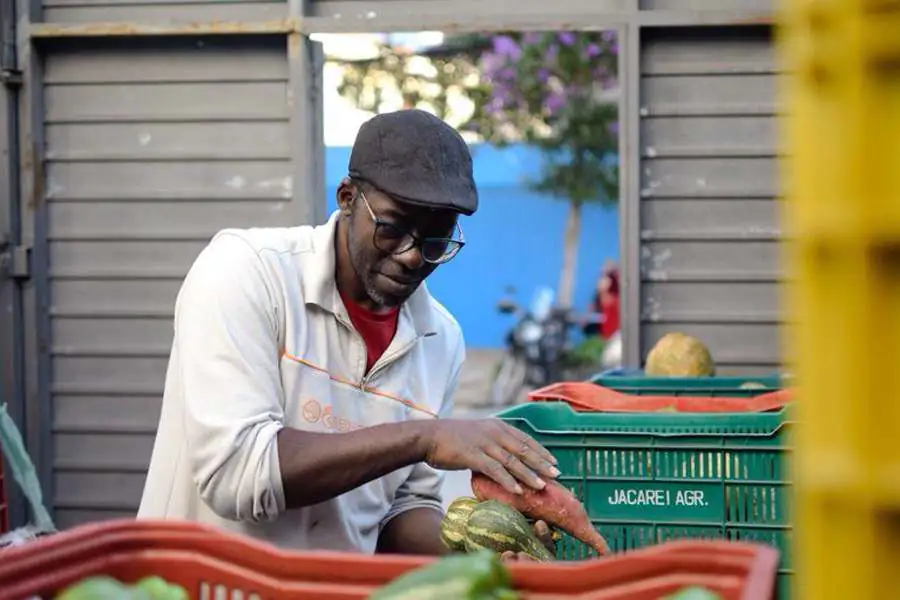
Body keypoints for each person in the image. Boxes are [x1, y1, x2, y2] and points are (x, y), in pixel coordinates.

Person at [137, 109, 559, 560]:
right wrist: (424, 437)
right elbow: (239, 476)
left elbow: (402, 508)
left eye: (436, 242)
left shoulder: (441, 340)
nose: (413, 257)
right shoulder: (247, 274)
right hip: (197, 585)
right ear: (347, 197)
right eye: (393, 229)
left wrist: (475, 553)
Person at [583, 264, 620, 340]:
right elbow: (587, 318)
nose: (600, 282)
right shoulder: (596, 299)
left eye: (604, 279)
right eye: (601, 278)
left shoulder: (615, 301)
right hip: (600, 335)